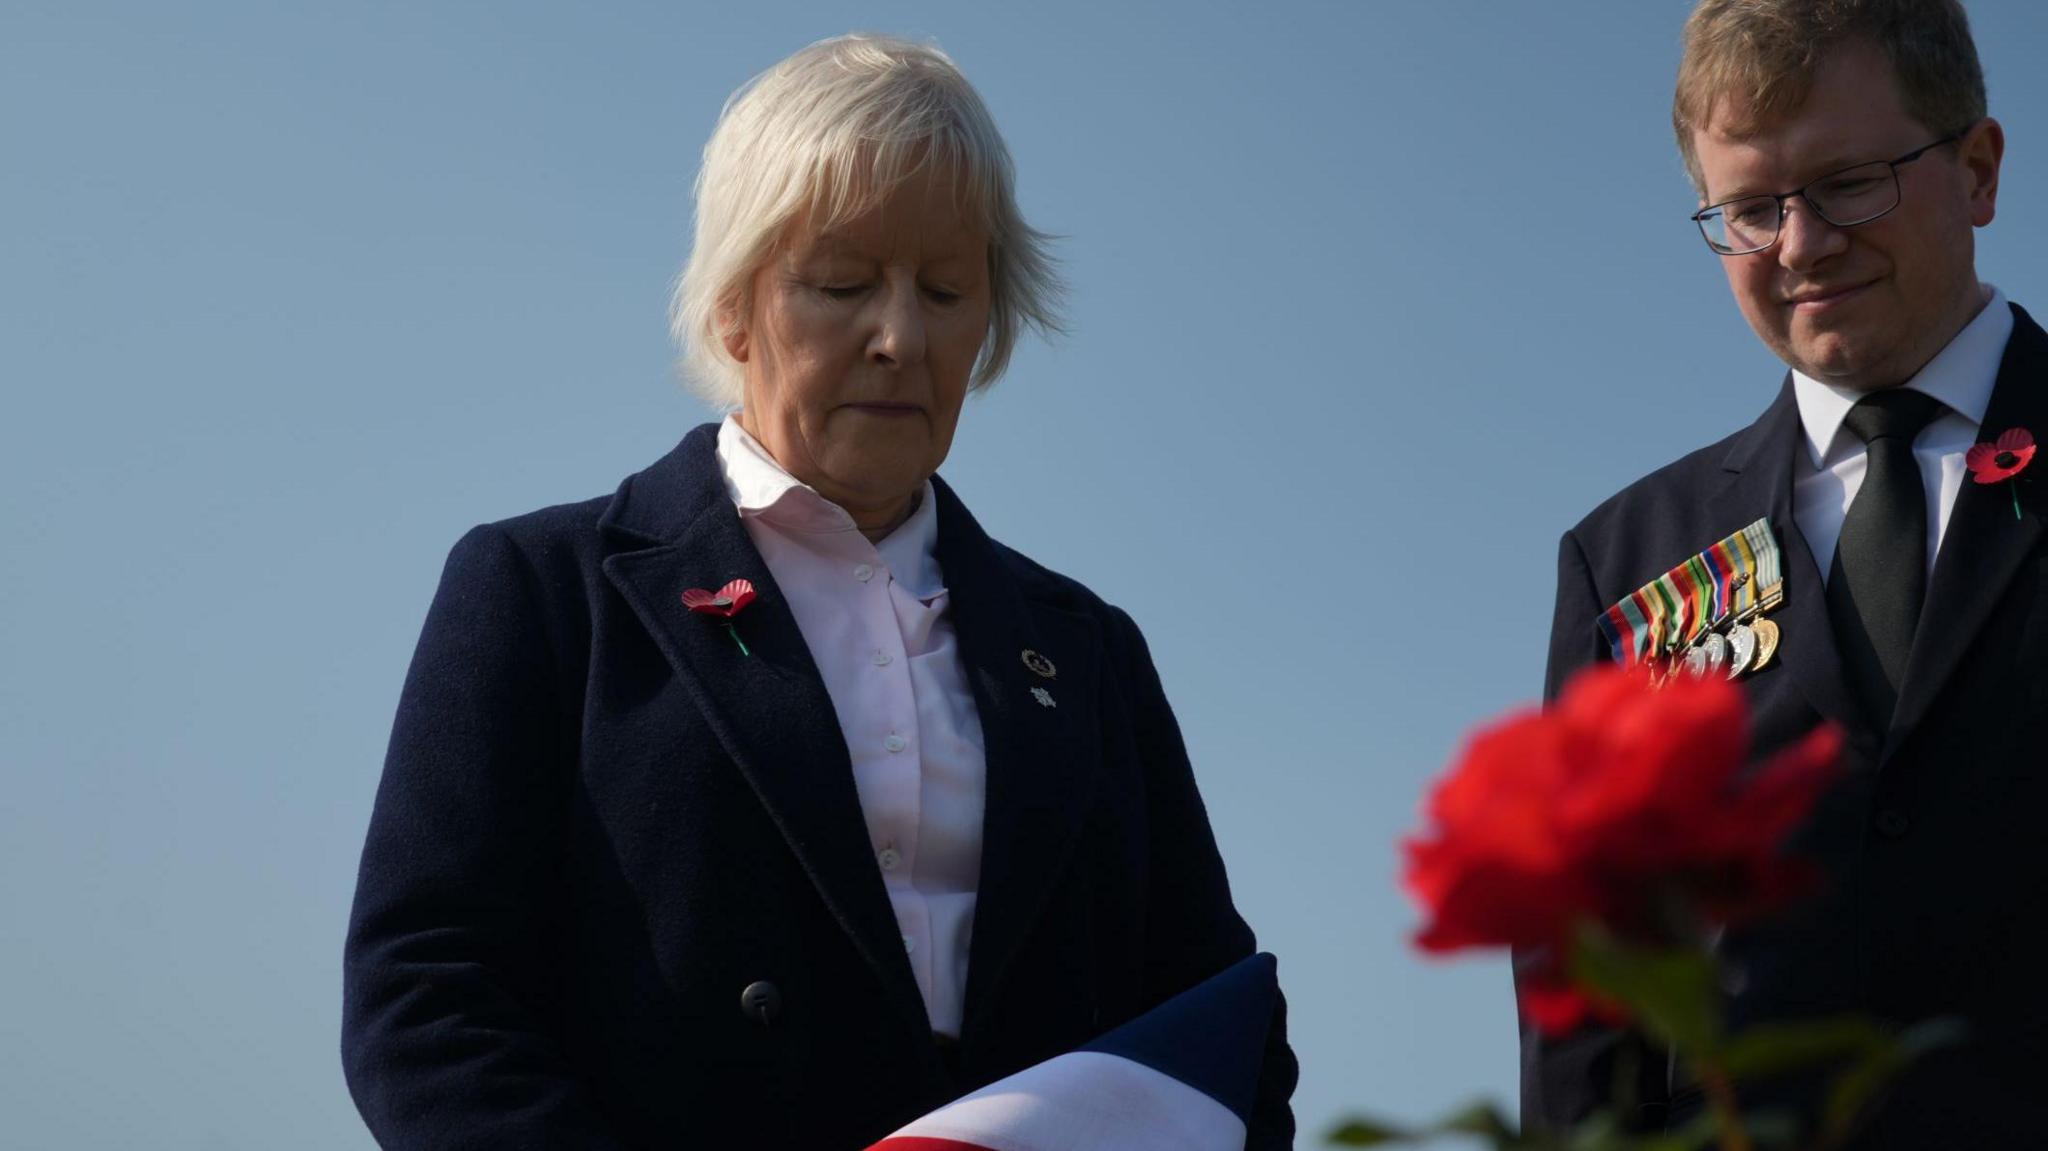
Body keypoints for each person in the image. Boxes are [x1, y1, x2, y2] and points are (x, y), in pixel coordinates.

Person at [341, 34, 1295, 1149]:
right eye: (841, 283)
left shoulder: (1085, 651)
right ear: (732, 306)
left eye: (944, 289)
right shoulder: (543, 594)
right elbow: (427, 996)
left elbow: (1212, 1021)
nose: (900, 337)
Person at [1532, 1, 2042, 1145]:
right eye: (1750, 210)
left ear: (1976, 168)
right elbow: (1589, 999)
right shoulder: (1624, 562)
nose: (1800, 245)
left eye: (1848, 181)